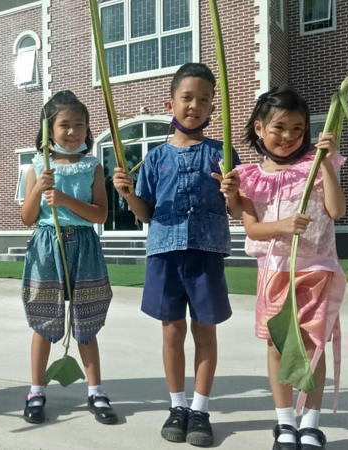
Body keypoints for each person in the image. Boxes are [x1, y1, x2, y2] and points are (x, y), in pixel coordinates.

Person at [113, 63, 242, 447]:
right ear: (170, 102)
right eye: (187, 98)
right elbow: (146, 214)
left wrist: (232, 191)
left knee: (205, 331)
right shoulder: (154, 158)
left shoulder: (223, 153)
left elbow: (236, 211)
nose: (195, 106)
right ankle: (177, 404)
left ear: (212, 108)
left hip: (206, 252)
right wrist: (126, 194)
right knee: (172, 331)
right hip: (165, 252)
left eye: (204, 100)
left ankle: (200, 409)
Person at [237, 86, 346, 450]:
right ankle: (285, 421)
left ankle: (310, 423)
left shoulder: (315, 165)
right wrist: (283, 226)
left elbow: (336, 210)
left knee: (314, 347)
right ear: (258, 128)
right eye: (280, 128)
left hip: (316, 269)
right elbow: (251, 228)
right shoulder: (250, 176)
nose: (289, 137)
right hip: (273, 271)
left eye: (298, 129)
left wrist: (327, 164)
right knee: (278, 347)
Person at [20, 90, 116, 425]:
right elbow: (28, 218)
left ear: (88, 129)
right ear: (48, 129)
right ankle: (35, 390)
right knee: (45, 320)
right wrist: (37, 189)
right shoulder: (36, 165)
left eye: (80, 124)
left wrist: (63, 197)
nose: (73, 131)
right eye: (64, 125)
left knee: (86, 321)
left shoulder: (93, 167)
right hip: (47, 246)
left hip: (85, 246)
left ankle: (96, 391)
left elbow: (101, 215)